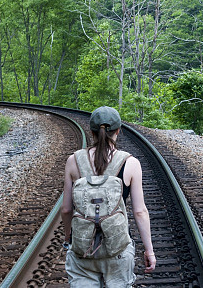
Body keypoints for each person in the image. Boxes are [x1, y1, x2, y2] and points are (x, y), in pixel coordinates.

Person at [62, 106, 156, 286]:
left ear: (91, 132)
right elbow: (140, 212)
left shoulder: (73, 161)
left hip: (83, 250)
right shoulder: (130, 163)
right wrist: (149, 251)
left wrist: (69, 240)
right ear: (118, 131)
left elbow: (66, 209)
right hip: (117, 250)